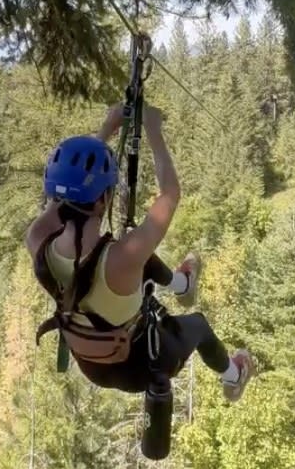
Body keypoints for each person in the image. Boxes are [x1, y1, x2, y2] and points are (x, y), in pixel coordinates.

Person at [26, 102, 254, 401]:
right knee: (197, 325)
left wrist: (107, 129)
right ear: (103, 200)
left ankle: (182, 284)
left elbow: (67, 192)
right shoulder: (123, 257)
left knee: (136, 256)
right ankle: (234, 376)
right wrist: (153, 129)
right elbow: (170, 194)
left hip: (91, 364)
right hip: (142, 367)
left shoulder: (37, 241)